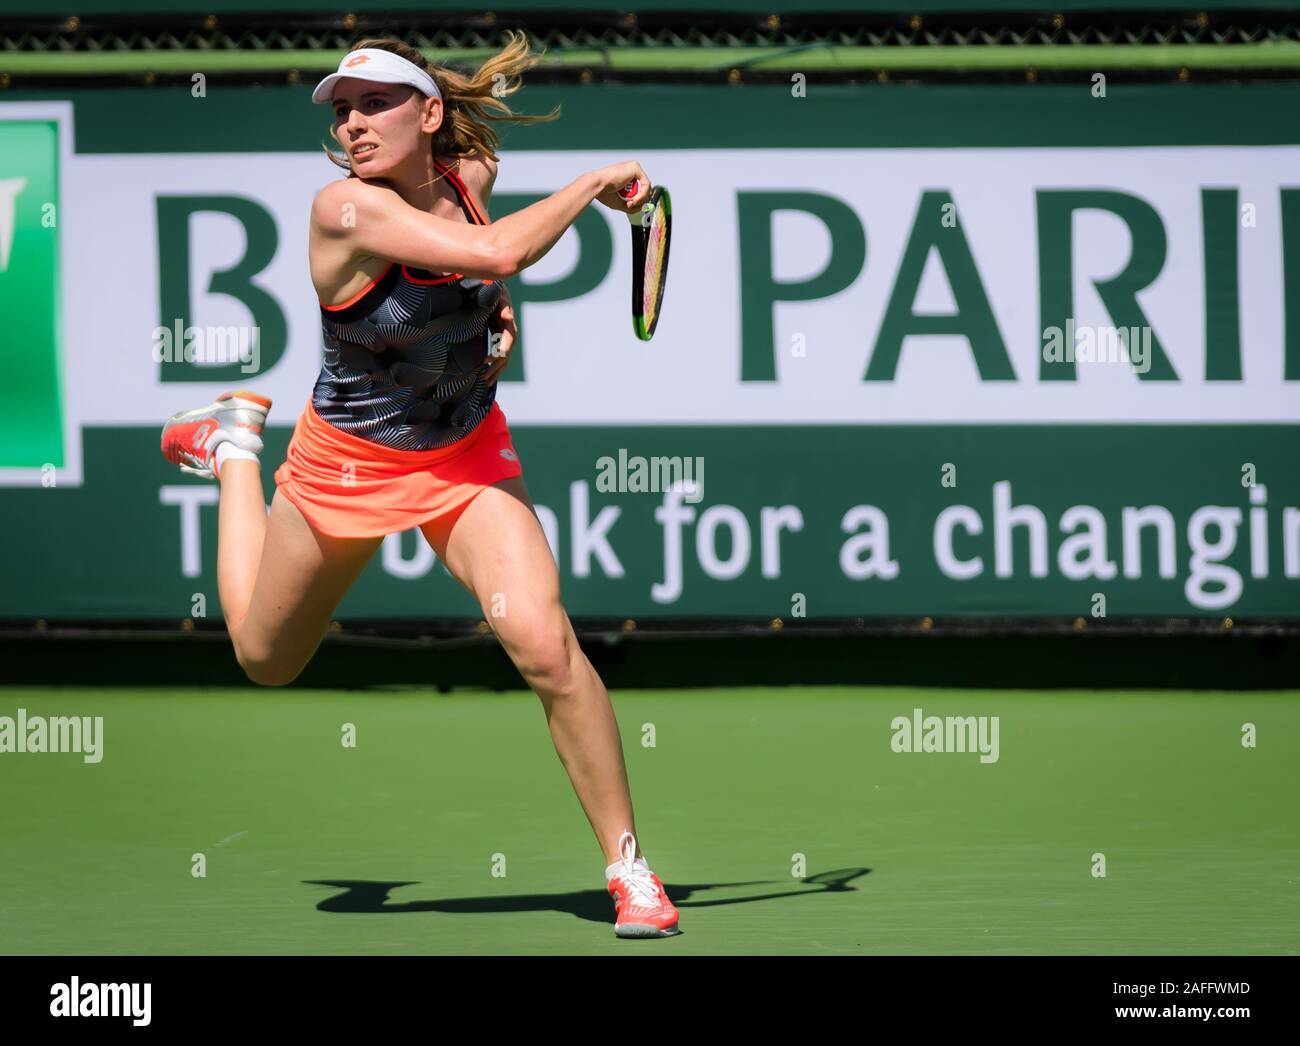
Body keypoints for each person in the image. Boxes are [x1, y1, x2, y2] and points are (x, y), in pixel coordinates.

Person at [159, 34, 678, 939]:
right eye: (341, 109)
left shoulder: (471, 169)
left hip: (463, 457)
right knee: (264, 659)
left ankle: (629, 869)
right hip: (345, 470)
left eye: (374, 104)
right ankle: (235, 446)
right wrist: (594, 188)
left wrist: (491, 325)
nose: (352, 123)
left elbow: (479, 278)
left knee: (547, 648)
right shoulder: (342, 211)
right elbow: (503, 255)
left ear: (428, 115)